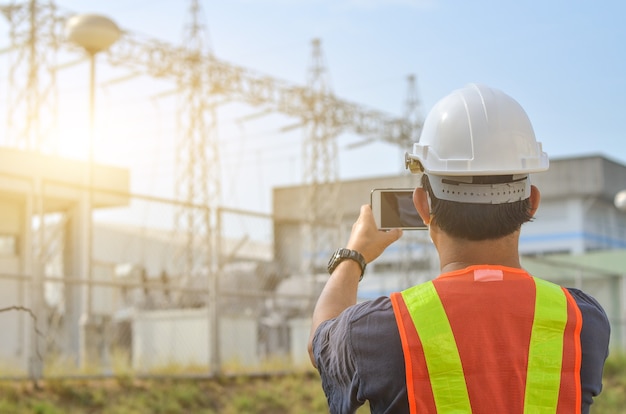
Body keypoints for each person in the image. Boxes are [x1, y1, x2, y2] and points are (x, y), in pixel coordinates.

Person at [308, 83, 610, 413]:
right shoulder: (584, 321)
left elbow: (321, 342)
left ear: (423, 205)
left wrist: (354, 255)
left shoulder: (380, 328)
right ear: (532, 203)